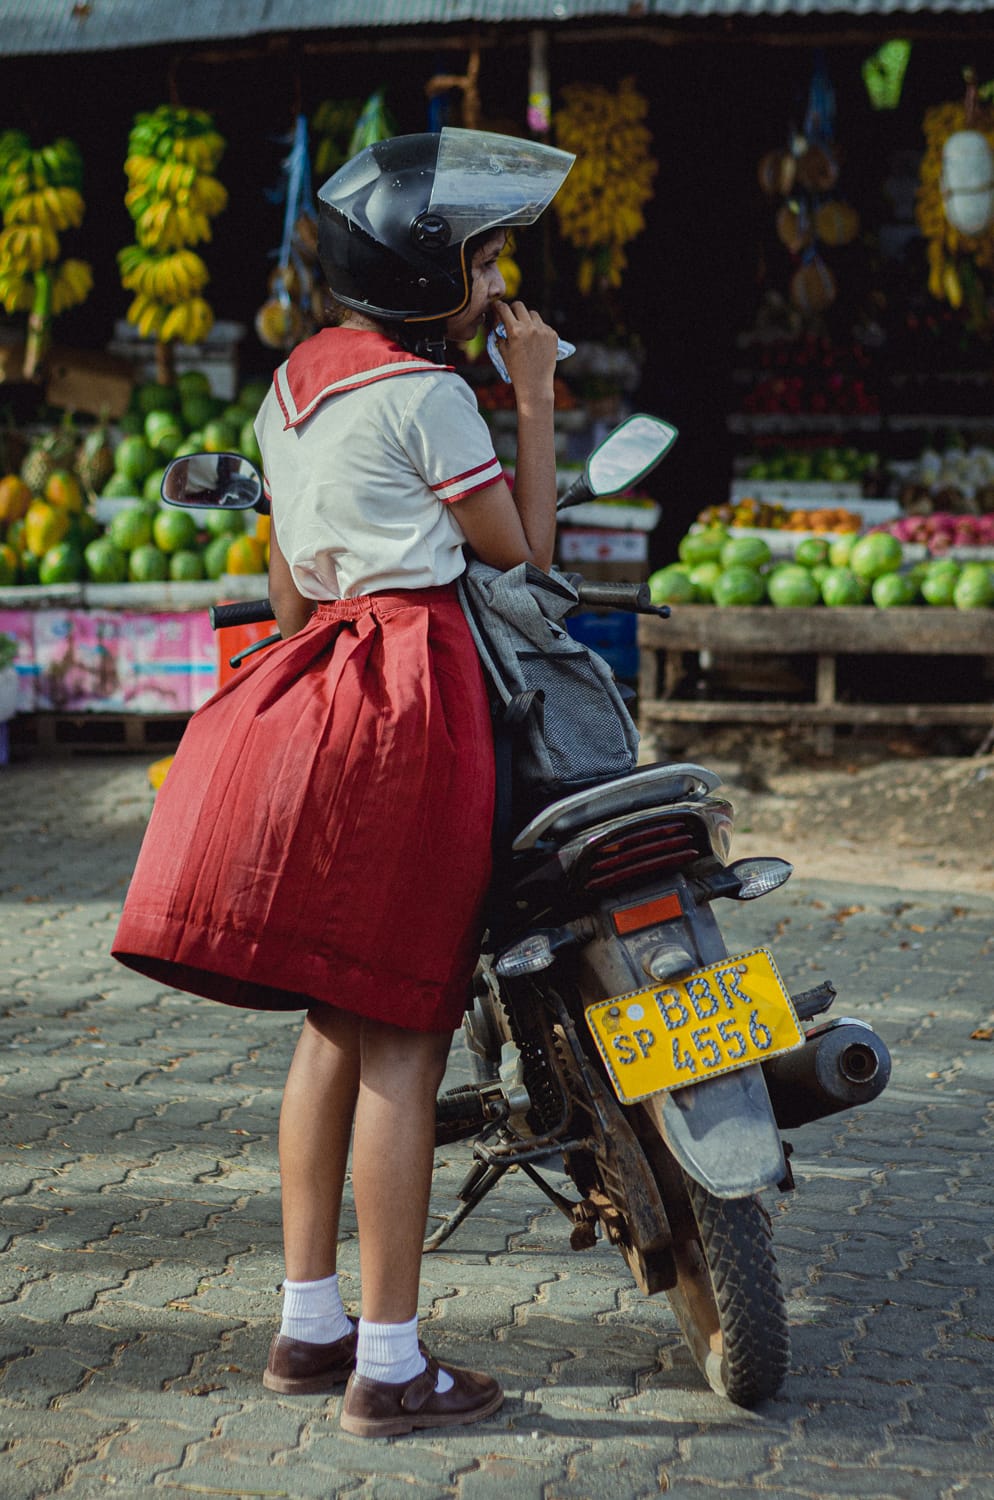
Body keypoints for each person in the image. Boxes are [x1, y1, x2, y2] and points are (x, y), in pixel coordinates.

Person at [111, 126, 574, 1439]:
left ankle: (308, 1329)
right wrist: (529, 396)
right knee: (404, 1039)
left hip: (316, 687)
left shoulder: (289, 387)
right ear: (436, 276)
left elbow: (290, 587)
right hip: (412, 705)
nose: (497, 285)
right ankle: (390, 1364)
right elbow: (523, 560)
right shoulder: (432, 398)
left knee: (332, 1018)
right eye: (485, 263)